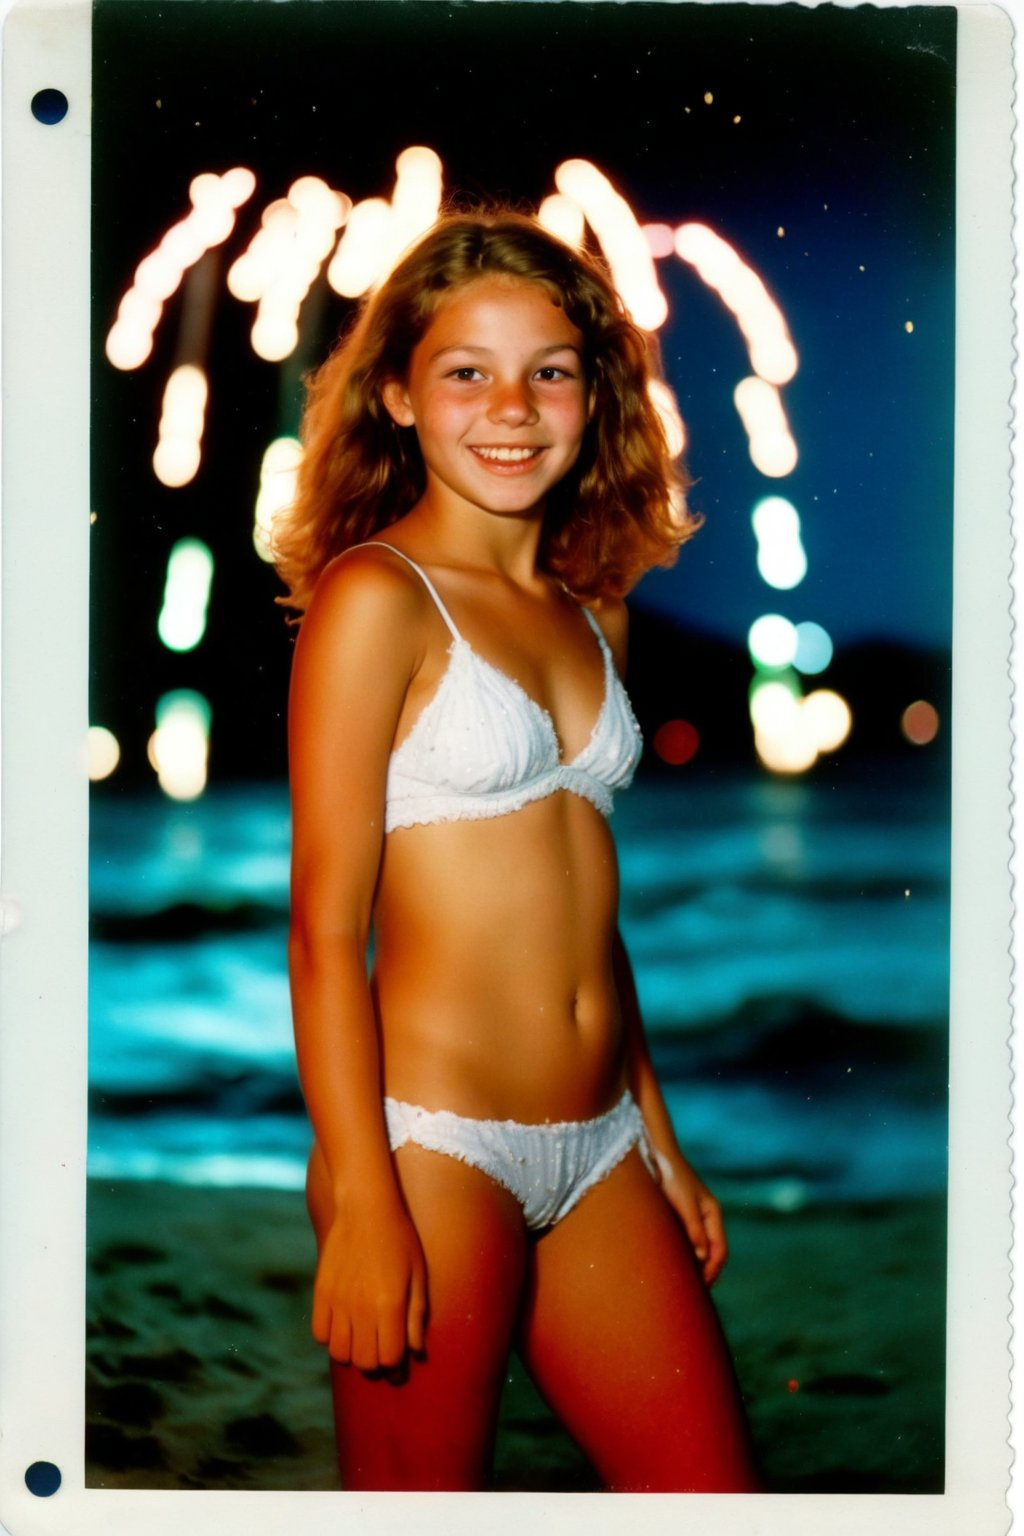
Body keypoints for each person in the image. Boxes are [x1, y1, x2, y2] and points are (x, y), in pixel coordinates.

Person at [275, 209, 759, 1493]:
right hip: (431, 1151)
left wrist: (657, 1130)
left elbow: (580, 909)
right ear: (396, 395)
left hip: (600, 1143)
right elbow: (325, 931)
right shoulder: (375, 598)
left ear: (595, 393)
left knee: (719, 1504)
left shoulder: (588, 605)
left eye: (549, 369)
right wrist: (365, 1205)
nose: (513, 407)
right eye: (465, 371)